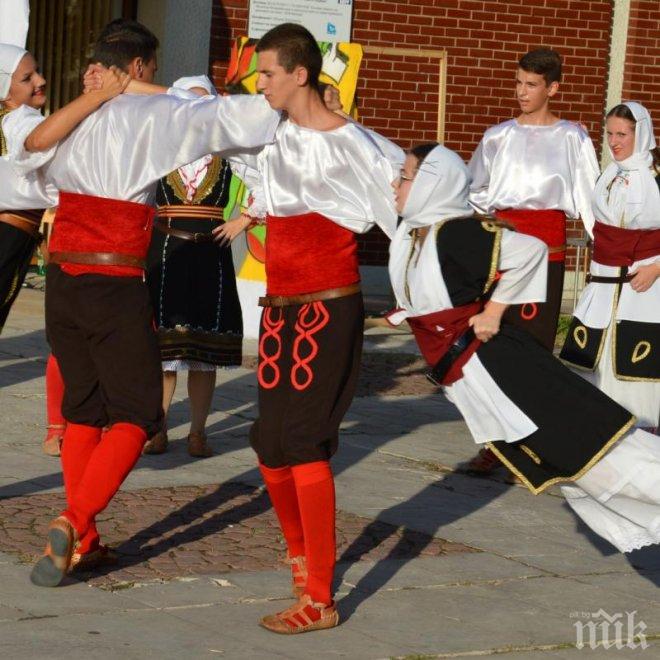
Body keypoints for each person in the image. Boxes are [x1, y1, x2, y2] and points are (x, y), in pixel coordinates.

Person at [18, 19, 280, 588]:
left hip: (62, 278)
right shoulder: (151, 111)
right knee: (138, 415)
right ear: (138, 68)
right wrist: (137, 93)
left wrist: (102, 93)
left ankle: (83, 540)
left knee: (84, 411)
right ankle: (74, 518)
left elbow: (30, 149)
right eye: (152, 71)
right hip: (113, 280)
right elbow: (240, 115)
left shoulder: (76, 114)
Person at [389, 143, 660, 555]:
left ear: (432, 183)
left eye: (406, 176)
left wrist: (494, 311)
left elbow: (530, 250)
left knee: (597, 453)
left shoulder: (455, 231)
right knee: (577, 468)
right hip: (472, 375)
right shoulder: (412, 236)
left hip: (501, 368)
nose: (396, 183)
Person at [230, 23, 404, 633]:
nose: (261, 83)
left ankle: (321, 599)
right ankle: (301, 556)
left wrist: (422, 294)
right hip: (279, 305)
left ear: (300, 73)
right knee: (268, 440)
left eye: (270, 72)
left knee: (303, 438)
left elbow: (413, 205)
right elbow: (207, 130)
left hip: (330, 305)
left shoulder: (358, 144)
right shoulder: (267, 137)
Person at [466, 48, 599, 474]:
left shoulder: (573, 138)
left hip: (548, 252)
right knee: (494, 346)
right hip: (503, 250)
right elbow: (473, 190)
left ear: (552, 88)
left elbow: (590, 201)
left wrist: (607, 258)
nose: (521, 92)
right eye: (519, 82)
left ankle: (535, 445)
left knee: (537, 351)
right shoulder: (497, 136)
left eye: (531, 85)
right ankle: (495, 444)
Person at [0, 42, 130, 458]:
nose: (40, 81)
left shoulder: (17, 117)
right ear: (6, 91)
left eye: (37, 71)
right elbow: (38, 142)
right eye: (26, 78)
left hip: (18, 236)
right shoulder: (19, 120)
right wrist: (99, 94)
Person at [143, 75, 244, 458]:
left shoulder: (231, 153)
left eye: (205, 103)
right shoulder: (160, 148)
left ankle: (198, 432)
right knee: (164, 350)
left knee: (203, 354)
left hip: (210, 255)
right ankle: (158, 427)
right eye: (190, 103)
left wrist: (245, 219)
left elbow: (269, 182)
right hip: (165, 252)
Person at [560, 101, 660, 430]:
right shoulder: (608, 176)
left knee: (635, 370)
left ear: (640, 134)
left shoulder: (656, 179)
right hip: (603, 286)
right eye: (610, 133)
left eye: (622, 134)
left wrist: (656, 268)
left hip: (642, 288)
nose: (614, 141)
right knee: (591, 363)